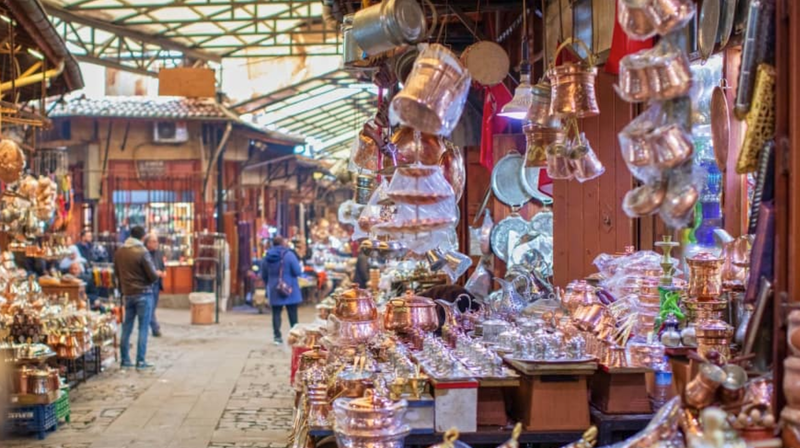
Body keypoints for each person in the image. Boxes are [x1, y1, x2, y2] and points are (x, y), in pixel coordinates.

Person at [114, 225, 159, 370]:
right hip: (143, 293)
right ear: (142, 237)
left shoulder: (120, 251)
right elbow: (152, 276)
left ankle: (125, 359)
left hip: (128, 294)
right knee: (143, 328)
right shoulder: (142, 251)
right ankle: (140, 361)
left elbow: (116, 273)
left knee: (126, 327)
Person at [262, 235, 302, 345]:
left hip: (274, 288)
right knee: (292, 313)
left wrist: (270, 283)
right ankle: (294, 336)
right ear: (283, 243)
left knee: (276, 313)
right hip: (290, 289)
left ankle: (277, 337)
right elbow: (297, 271)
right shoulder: (289, 255)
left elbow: (263, 274)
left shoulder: (267, 256)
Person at [144, 233, 166, 337]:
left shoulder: (158, 253)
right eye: (153, 241)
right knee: (150, 307)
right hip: (148, 284)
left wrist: (163, 272)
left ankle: (153, 327)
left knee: (152, 307)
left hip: (157, 283)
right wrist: (154, 272)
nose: (156, 243)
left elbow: (162, 265)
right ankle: (155, 328)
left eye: (156, 241)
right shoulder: (144, 253)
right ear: (147, 243)